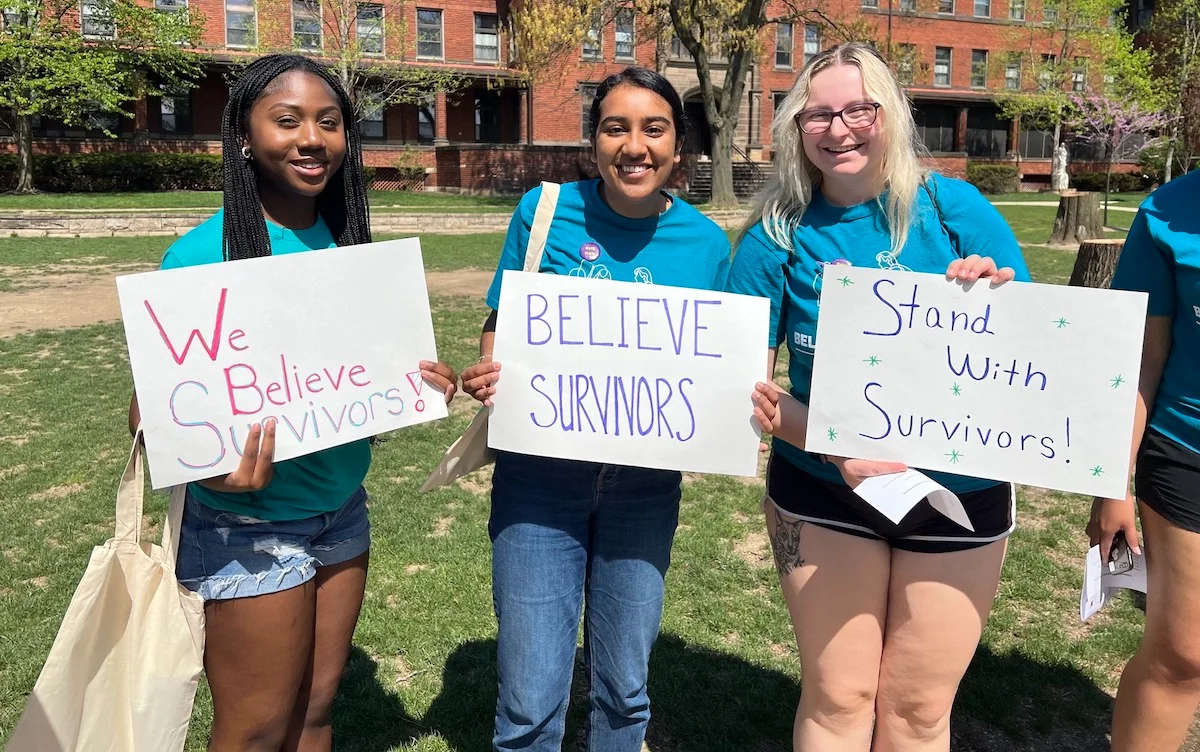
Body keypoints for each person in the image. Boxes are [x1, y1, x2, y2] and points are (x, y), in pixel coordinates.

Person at [126, 54, 458, 752]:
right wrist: (207, 468)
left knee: (314, 713)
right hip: (247, 522)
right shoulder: (200, 257)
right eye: (288, 120)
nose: (312, 138)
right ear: (244, 136)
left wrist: (421, 380)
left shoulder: (350, 244)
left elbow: (362, 372)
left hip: (343, 511)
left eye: (329, 123)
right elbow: (148, 408)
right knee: (254, 730)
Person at [728, 43, 1029, 751]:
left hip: (960, 491)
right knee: (839, 698)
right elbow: (742, 384)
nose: (840, 129)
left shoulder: (953, 208)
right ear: (795, 129)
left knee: (918, 711)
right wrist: (837, 449)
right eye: (819, 114)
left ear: (890, 114)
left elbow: (1030, 355)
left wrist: (995, 293)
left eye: (859, 109)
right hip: (823, 490)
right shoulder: (778, 234)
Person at [458, 67, 731, 751]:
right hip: (538, 481)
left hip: (644, 487)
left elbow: (714, 370)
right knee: (528, 703)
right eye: (616, 127)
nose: (633, 146)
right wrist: (493, 370)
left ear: (678, 147)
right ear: (593, 141)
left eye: (653, 129)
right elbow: (502, 322)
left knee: (625, 693)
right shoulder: (545, 212)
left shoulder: (705, 246)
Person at [1089, 170, 1200, 752]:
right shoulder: (1168, 211)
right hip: (1186, 451)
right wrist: (1112, 483)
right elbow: (1139, 363)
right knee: (1184, 654)